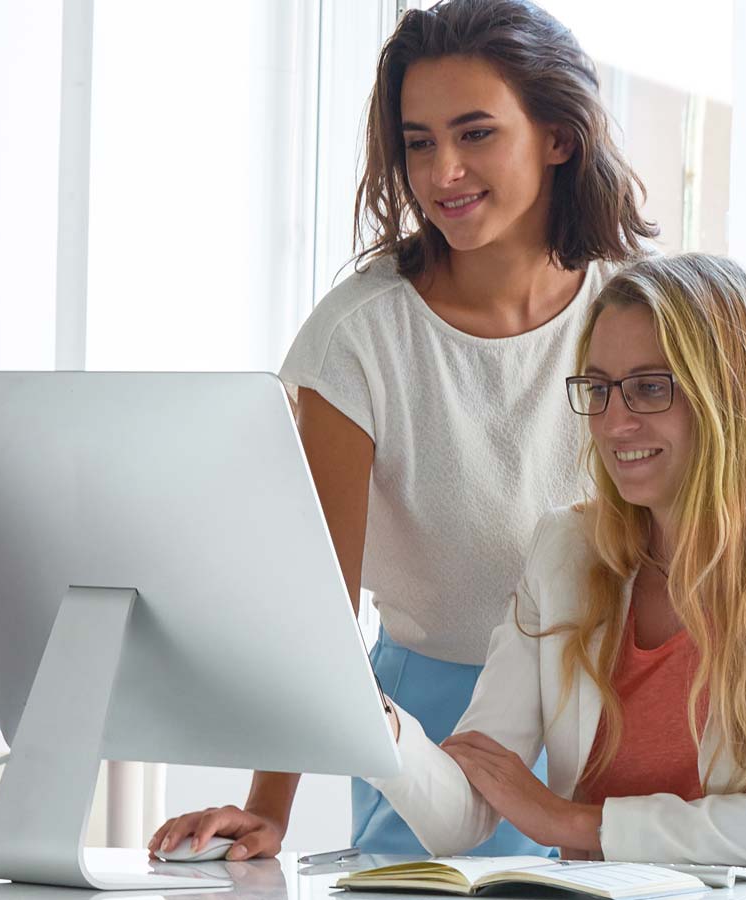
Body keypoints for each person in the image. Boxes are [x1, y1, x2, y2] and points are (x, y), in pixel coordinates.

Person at [149, 0, 654, 861]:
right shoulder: (360, 335)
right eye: (418, 142)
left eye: (476, 133)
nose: (443, 170)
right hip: (429, 721)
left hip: (614, 702)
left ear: (558, 137)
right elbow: (319, 599)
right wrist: (266, 807)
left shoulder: (637, 311)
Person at [362, 254, 746, 866]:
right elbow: (466, 813)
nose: (613, 422)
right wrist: (369, 714)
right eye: (598, 389)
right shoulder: (567, 549)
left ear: (730, 394)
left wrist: (574, 822)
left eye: (650, 388)